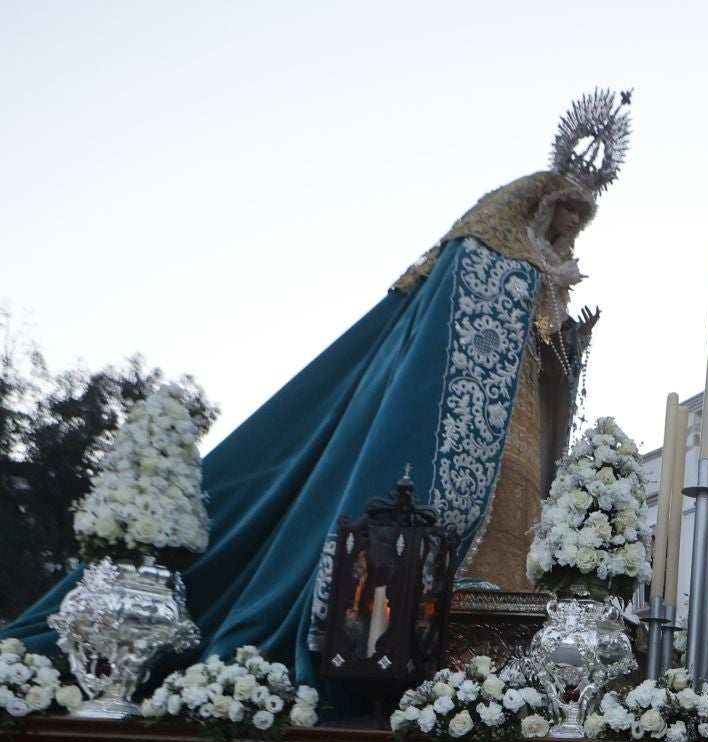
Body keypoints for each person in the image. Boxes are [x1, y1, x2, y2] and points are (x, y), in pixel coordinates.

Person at [4, 94, 625, 677]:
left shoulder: (551, 273)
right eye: (568, 206)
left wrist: (570, 338)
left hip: (516, 424)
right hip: (475, 414)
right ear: (539, 201)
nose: (573, 220)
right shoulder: (491, 248)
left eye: (582, 214)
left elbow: (546, 350)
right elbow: (458, 322)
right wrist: (529, 290)